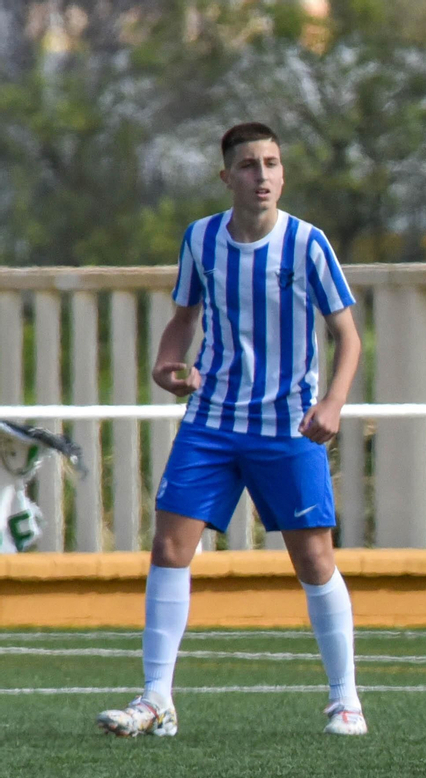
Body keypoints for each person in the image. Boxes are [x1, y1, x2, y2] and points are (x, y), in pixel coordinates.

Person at [96, 122, 367, 738]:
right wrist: (166, 366)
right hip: (212, 421)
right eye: (248, 165)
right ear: (227, 177)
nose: (263, 175)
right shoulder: (201, 239)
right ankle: (156, 700)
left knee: (314, 558)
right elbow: (182, 320)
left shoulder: (307, 243)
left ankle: (345, 700)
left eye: (272, 163)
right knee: (169, 548)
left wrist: (334, 402)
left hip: (286, 427)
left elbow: (347, 335)